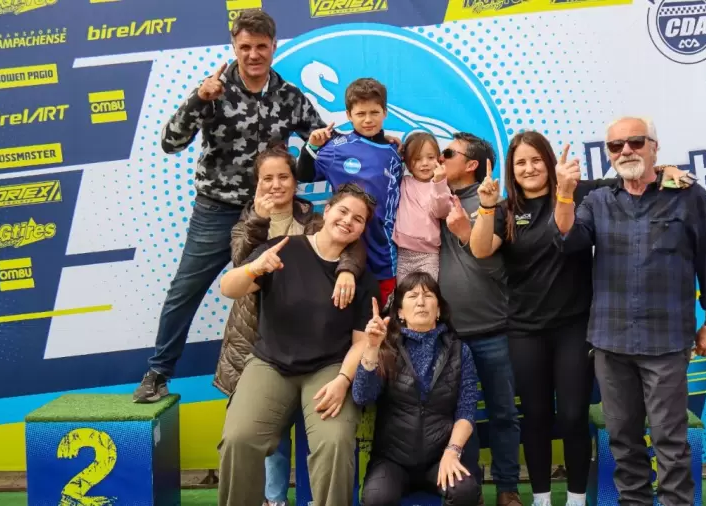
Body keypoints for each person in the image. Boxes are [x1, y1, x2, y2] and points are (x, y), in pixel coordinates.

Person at [469, 131, 688, 506]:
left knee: (572, 416)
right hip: (524, 329)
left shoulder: (581, 192)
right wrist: (487, 206)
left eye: (536, 159)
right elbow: (480, 249)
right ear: (511, 170)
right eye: (520, 163)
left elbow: (630, 175)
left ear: (550, 161)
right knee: (536, 416)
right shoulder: (505, 210)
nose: (529, 168)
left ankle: (574, 498)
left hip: (575, 325)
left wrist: (665, 168)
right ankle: (540, 498)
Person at [134, 9, 329, 403]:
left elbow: (326, 144)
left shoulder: (290, 97)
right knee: (184, 290)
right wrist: (197, 99)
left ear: (274, 47)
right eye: (245, 47)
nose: (253, 54)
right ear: (234, 47)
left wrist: (377, 144)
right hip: (217, 210)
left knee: (284, 293)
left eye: (261, 47)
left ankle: (289, 374)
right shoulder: (212, 90)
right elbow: (170, 142)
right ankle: (158, 372)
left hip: (271, 214)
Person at [551, 117, 706, 506]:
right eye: (615, 146)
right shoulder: (596, 199)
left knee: (670, 440)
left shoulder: (687, 195)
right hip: (611, 342)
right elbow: (568, 240)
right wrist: (564, 192)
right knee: (623, 441)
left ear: (654, 146)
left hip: (666, 342)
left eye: (634, 142)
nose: (625, 151)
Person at [212, 146, 365, 506]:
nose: (277, 185)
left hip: (326, 363)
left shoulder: (319, 225)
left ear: (297, 183)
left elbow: (349, 244)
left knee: (334, 441)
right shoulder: (250, 227)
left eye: (284, 176)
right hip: (267, 352)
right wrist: (256, 266)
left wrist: (346, 268)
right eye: (268, 178)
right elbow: (231, 284)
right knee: (240, 438)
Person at [439, 132, 523, 506]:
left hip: (493, 332)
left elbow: (502, 273)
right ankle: (465, 491)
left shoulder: (497, 206)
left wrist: (463, 234)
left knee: (504, 414)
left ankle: (507, 488)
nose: (439, 159)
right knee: (459, 419)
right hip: (447, 334)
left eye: (447, 153)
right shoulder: (431, 198)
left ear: (471, 164)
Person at [353, 272, 481, 506]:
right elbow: (362, 396)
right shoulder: (387, 348)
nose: (421, 302)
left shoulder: (459, 351)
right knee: (376, 498)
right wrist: (372, 348)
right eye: (412, 296)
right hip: (392, 459)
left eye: (428, 295)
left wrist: (452, 451)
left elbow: (467, 409)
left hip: (440, 456)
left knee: (465, 492)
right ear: (400, 312)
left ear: (439, 309)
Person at [296, 77, 404, 307]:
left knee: (382, 321)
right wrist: (311, 147)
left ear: (385, 112)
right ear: (348, 115)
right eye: (360, 113)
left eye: (374, 112)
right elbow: (303, 175)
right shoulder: (336, 148)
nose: (368, 120)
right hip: (345, 250)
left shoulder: (394, 151)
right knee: (344, 317)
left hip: (385, 255)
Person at [393, 131, 453, 281]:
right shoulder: (403, 182)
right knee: (405, 297)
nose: (424, 163)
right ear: (407, 162)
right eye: (417, 159)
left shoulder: (441, 185)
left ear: (439, 159)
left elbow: (442, 212)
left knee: (427, 293)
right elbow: (384, 167)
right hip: (402, 253)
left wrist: (439, 183)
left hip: (429, 255)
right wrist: (392, 146)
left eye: (431, 157)